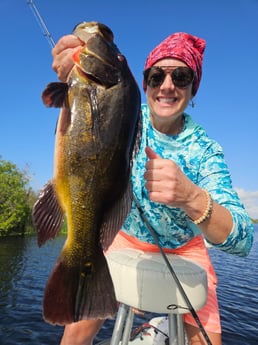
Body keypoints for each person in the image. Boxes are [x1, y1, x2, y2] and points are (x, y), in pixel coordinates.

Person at [51, 29, 254, 345]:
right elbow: (78, 132)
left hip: (187, 252)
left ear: (193, 88)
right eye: (157, 75)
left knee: (208, 340)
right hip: (123, 239)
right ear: (144, 83)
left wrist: (192, 197)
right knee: (76, 329)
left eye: (181, 77)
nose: (167, 86)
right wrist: (74, 69)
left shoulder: (206, 150)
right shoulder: (121, 110)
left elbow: (243, 241)